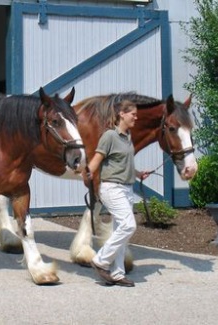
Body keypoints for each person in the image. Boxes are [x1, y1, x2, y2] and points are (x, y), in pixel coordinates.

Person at [84, 100, 150, 287]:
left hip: (127, 188)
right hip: (112, 188)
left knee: (121, 231)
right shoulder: (110, 136)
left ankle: (118, 273)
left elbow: (123, 163)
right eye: (133, 114)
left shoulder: (127, 137)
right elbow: (97, 160)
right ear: (122, 113)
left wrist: (138, 173)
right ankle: (100, 260)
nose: (136, 118)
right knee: (129, 226)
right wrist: (87, 173)